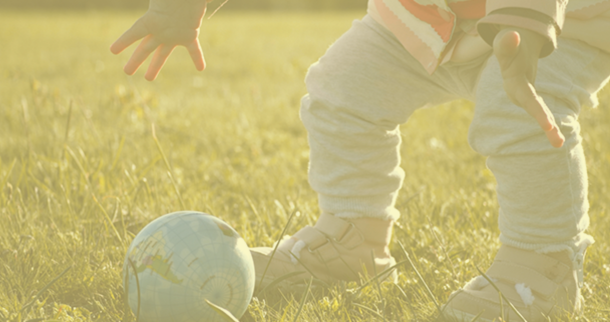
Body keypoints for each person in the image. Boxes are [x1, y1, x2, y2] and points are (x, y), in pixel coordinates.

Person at [110, 0, 610, 320]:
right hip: (420, 18)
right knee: (342, 87)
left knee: (518, 108)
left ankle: (542, 267)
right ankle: (353, 240)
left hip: (551, 23)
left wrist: (526, 17)